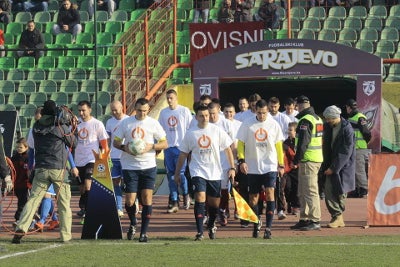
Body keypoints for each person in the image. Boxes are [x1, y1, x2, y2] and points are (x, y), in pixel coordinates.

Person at [12, 100, 77, 244]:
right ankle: (65, 235)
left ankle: (21, 226)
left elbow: (32, 148)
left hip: (41, 168)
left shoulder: (36, 126)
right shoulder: (60, 126)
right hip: (59, 169)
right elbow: (74, 143)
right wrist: (71, 126)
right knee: (64, 203)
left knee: (33, 200)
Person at [174, 105, 236, 241]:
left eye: (207, 115)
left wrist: (232, 167)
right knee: (200, 197)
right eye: (201, 116)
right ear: (196, 117)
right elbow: (183, 154)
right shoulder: (191, 133)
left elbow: (228, 149)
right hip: (197, 171)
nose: (205, 118)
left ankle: (212, 223)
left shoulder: (216, 130)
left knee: (214, 204)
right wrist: (177, 173)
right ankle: (200, 232)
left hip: (214, 172)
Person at [113, 98, 168, 242]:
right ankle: (133, 223)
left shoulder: (153, 123)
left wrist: (152, 147)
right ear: (135, 109)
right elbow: (116, 141)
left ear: (148, 110)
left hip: (148, 166)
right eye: (139, 110)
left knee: (146, 199)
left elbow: (165, 143)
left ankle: (144, 233)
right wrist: (126, 148)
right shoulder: (126, 122)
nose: (142, 113)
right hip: (129, 166)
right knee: (130, 201)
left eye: (145, 111)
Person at [236, 99, 285, 239]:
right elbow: (241, 143)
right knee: (253, 199)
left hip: (269, 164)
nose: (262, 115)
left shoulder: (274, 125)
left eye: (264, 113)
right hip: (252, 166)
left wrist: (281, 164)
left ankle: (268, 228)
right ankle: (257, 222)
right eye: (259, 112)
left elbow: (279, 146)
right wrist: (241, 161)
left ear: (267, 111)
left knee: (270, 193)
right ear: (255, 110)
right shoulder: (247, 124)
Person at [290, 95, 324, 231]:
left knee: (310, 191)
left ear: (299, 106)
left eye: (296, 106)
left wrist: (296, 160)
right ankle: (304, 218)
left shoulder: (305, 120)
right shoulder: (317, 118)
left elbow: (303, 143)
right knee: (304, 191)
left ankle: (315, 219)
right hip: (313, 158)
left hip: (308, 159)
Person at [75, 100, 109, 224]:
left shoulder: (97, 124)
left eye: (83, 110)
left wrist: (105, 157)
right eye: (79, 110)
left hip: (91, 158)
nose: (81, 113)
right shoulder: (76, 124)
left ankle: (87, 210)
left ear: (89, 110)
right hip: (78, 159)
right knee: (82, 188)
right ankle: (84, 206)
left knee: (88, 184)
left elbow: (104, 141)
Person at [158, 89, 192, 213]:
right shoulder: (163, 113)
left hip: (181, 148)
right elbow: (160, 130)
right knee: (170, 175)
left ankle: (186, 194)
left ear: (176, 98)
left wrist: (188, 147)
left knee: (181, 174)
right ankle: (174, 200)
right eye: (167, 98)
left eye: (171, 98)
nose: (169, 100)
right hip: (168, 148)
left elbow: (190, 128)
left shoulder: (184, 111)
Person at [321, 105, 355, 228]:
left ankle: (338, 216)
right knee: (329, 190)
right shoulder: (329, 127)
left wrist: (334, 168)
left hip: (342, 166)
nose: (327, 121)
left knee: (340, 192)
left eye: (329, 118)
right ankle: (337, 216)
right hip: (330, 164)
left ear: (336, 117)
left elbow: (346, 151)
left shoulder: (347, 129)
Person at [208, 101, 235, 226]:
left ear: (219, 110)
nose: (212, 116)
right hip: (210, 161)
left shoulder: (226, 124)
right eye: (210, 114)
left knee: (224, 188)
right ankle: (211, 213)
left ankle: (222, 210)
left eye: (214, 113)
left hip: (224, 160)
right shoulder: (205, 124)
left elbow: (232, 145)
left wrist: (233, 165)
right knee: (212, 189)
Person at [267, 97, 291, 220]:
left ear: (279, 106)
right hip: (267, 152)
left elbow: (289, 133)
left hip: (281, 150)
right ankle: (270, 208)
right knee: (269, 185)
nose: (273, 108)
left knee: (281, 182)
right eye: (271, 106)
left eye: (275, 106)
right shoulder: (265, 117)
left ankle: (281, 209)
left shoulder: (284, 118)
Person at [105, 100, 129, 217]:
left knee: (127, 183)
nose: (114, 112)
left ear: (122, 107)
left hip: (126, 157)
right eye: (112, 110)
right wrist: (106, 152)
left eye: (116, 109)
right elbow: (108, 139)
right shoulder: (109, 122)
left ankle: (132, 203)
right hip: (114, 156)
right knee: (115, 182)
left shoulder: (128, 120)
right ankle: (119, 207)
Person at [345, 99, 371, 198]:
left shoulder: (359, 117)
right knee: (353, 169)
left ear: (349, 107)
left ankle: (364, 190)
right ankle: (356, 190)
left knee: (359, 170)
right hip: (354, 148)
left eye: (346, 108)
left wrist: (365, 142)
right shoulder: (353, 117)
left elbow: (367, 133)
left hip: (359, 148)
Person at [283, 122, 300, 216]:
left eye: (291, 130)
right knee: (288, 187)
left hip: (297, 169)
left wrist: (297, 164)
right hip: (288, 169)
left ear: (295, 131)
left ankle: (296, 207)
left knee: (296, 188)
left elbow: (301, 154)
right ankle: (289, 202)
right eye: (288, 130)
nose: (289, 132)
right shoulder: (285, 142)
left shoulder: (299, 141)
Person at [11, 138, 30, 225]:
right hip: (17, 184)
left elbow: (29, 171)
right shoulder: (14, 158)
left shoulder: (28, 158)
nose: (18, 149)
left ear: (26, 148)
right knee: (22, 202)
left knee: (23, 202)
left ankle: (19, 218)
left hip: (26, 184)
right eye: (17, 147)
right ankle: (22, 218)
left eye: (21, 147)